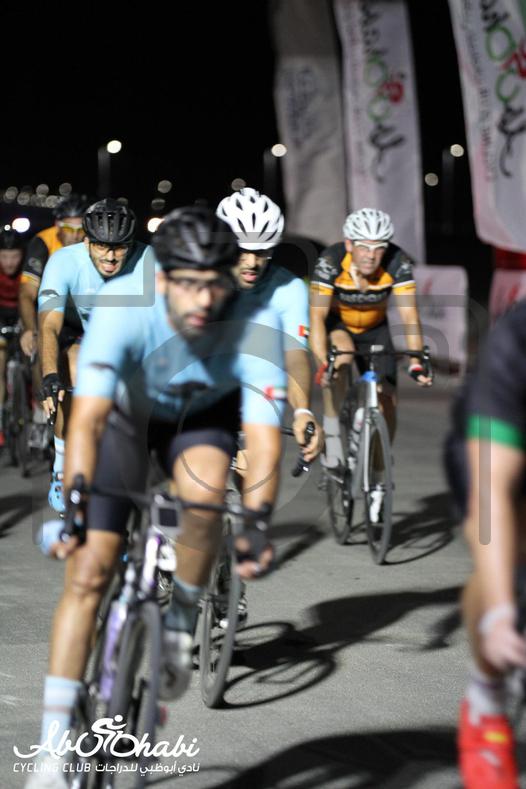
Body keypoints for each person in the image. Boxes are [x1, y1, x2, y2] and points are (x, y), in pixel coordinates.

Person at [26, 207, 287, 787]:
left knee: (206, 501)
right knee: (89, 572)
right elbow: (88, 420)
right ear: (161, 278)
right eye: (187, 283)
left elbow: (265, 438)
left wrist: (259, 520)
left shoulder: (253, 321)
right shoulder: (124, 311)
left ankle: (179, 623)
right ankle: (52, 747)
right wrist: (75, 501)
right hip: (128, 416)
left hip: (198, 419)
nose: (202, 299)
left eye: (214, 283)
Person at [38, 198, 154, 513]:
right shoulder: (64, 261)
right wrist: (49, 376)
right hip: (78, 332)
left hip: (127, 337)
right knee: (73, 371)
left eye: (120, 247)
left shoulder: (148, 260)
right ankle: (61, 467)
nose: (111, 256)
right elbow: (49, 326)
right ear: (87, 240)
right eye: (103, 246)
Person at [309, 207, 432, 484]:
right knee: (339, 361)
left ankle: (379, 466)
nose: (371, 255)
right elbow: (316, 316)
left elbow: (410, 316)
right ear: (349, 244)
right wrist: (323, 363)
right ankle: (332, 434)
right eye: (364, 247)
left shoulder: (397, 261)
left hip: (376, 329)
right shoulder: (330, 260)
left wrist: (416, 361)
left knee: (387, 398)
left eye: (379, 248)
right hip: (338, 325)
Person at [456, 301, 526, 789]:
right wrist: (501, 613)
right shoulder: (516, 342)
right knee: (505, 546)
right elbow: (489, 497)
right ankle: (486, 698)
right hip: (502, 444)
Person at [216, 187, 322, 462]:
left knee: (251, 468)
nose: (252, 262)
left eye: (261, 251)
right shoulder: (200, 279)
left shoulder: (289, 288)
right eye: (242, 251)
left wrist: (302, 411)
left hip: (255, 384)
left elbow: (295, 355)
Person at [18, 193, 90, 359]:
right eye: (68, 229)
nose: (75, 236)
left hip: (80, 308)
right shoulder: (42, 242)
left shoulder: (93, 243)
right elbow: (27, 293)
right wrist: (31, 329)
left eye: (80, 229)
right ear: (57, 225)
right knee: (40, 346)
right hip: (48, 306)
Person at [0, 228, 24, 446]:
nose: (9, 262)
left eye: (14, 256)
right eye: (4, 256)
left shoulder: (27, 269)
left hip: (21, 315)